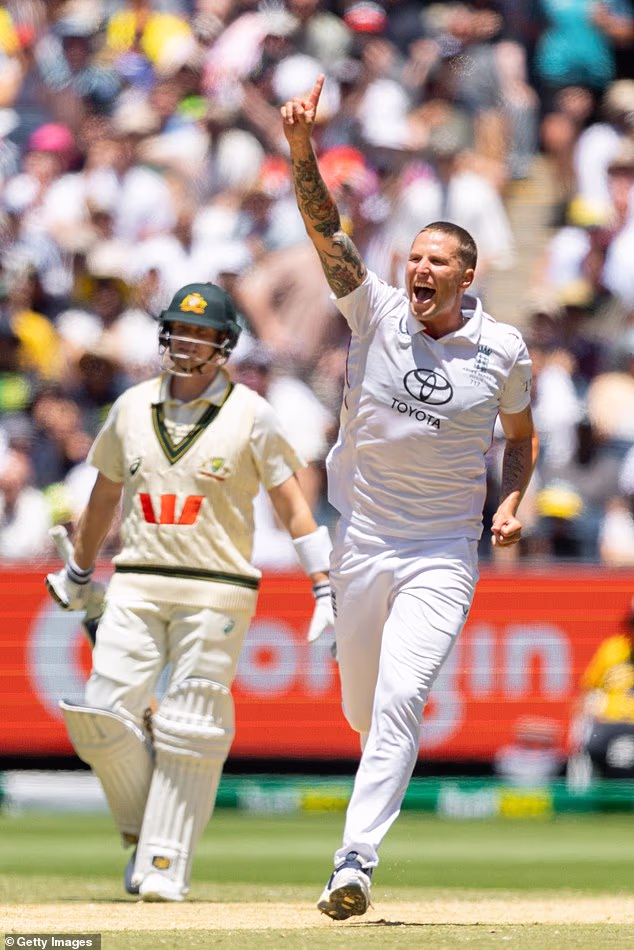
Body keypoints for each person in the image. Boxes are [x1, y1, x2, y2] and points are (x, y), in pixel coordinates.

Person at [281, 74, 539, 921]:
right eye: (415, 257)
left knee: (398, 698)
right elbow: (325, 227)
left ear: (469, 274)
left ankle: (353, 862)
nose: (420, 268)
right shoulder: (374, 310)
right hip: (363, 541)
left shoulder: (502, 350)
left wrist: (511, 501)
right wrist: (301, 148)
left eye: (439, 260)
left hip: (441, 552)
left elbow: (523, 437)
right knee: (362, 705)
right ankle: (336, 616)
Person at [45, 281, 335, 902]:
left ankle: (163, 864)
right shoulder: (130, 408)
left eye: (202, 333)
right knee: (99, 717)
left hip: (219, 588)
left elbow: (293, 506)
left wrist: (324, 584)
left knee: (191, 725)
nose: (186, 341)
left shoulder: (252, 415)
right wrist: (79, 570)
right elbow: (103, 499)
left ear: (224, 344)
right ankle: (143, 830)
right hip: (138, 580)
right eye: (179, 329)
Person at [567, 594, 634, 787]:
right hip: (609, 722)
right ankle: (580, 794)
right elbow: (587, 691)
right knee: (587, 733)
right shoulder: (613, 649)